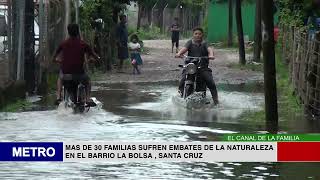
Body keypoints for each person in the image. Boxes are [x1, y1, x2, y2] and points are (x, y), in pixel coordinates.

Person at [53, 24, 100, 106]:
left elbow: (54, 58)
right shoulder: (84, 44)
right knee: (88, 81)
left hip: (66, 75)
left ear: (68, 32)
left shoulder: (63, 44)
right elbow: (94, 56)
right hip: (79, 75)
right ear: (78, 32)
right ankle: (88, 99)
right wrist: (95, 59)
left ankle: (58, 97)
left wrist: (59, 61)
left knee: (60, 77)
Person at [175, 27, 219, 105]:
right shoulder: (190, 42)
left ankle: (216, 101)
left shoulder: (205, 43)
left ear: (202, 35)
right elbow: (184, 49)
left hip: (203, 67)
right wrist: (179, 53)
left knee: (210, 82)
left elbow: (209, 49)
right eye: (196, 34)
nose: (197, 35)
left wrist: (211, 55)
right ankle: (180, 97)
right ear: (193, 35)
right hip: (191, 66)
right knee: (182, 80)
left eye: (199, 34)